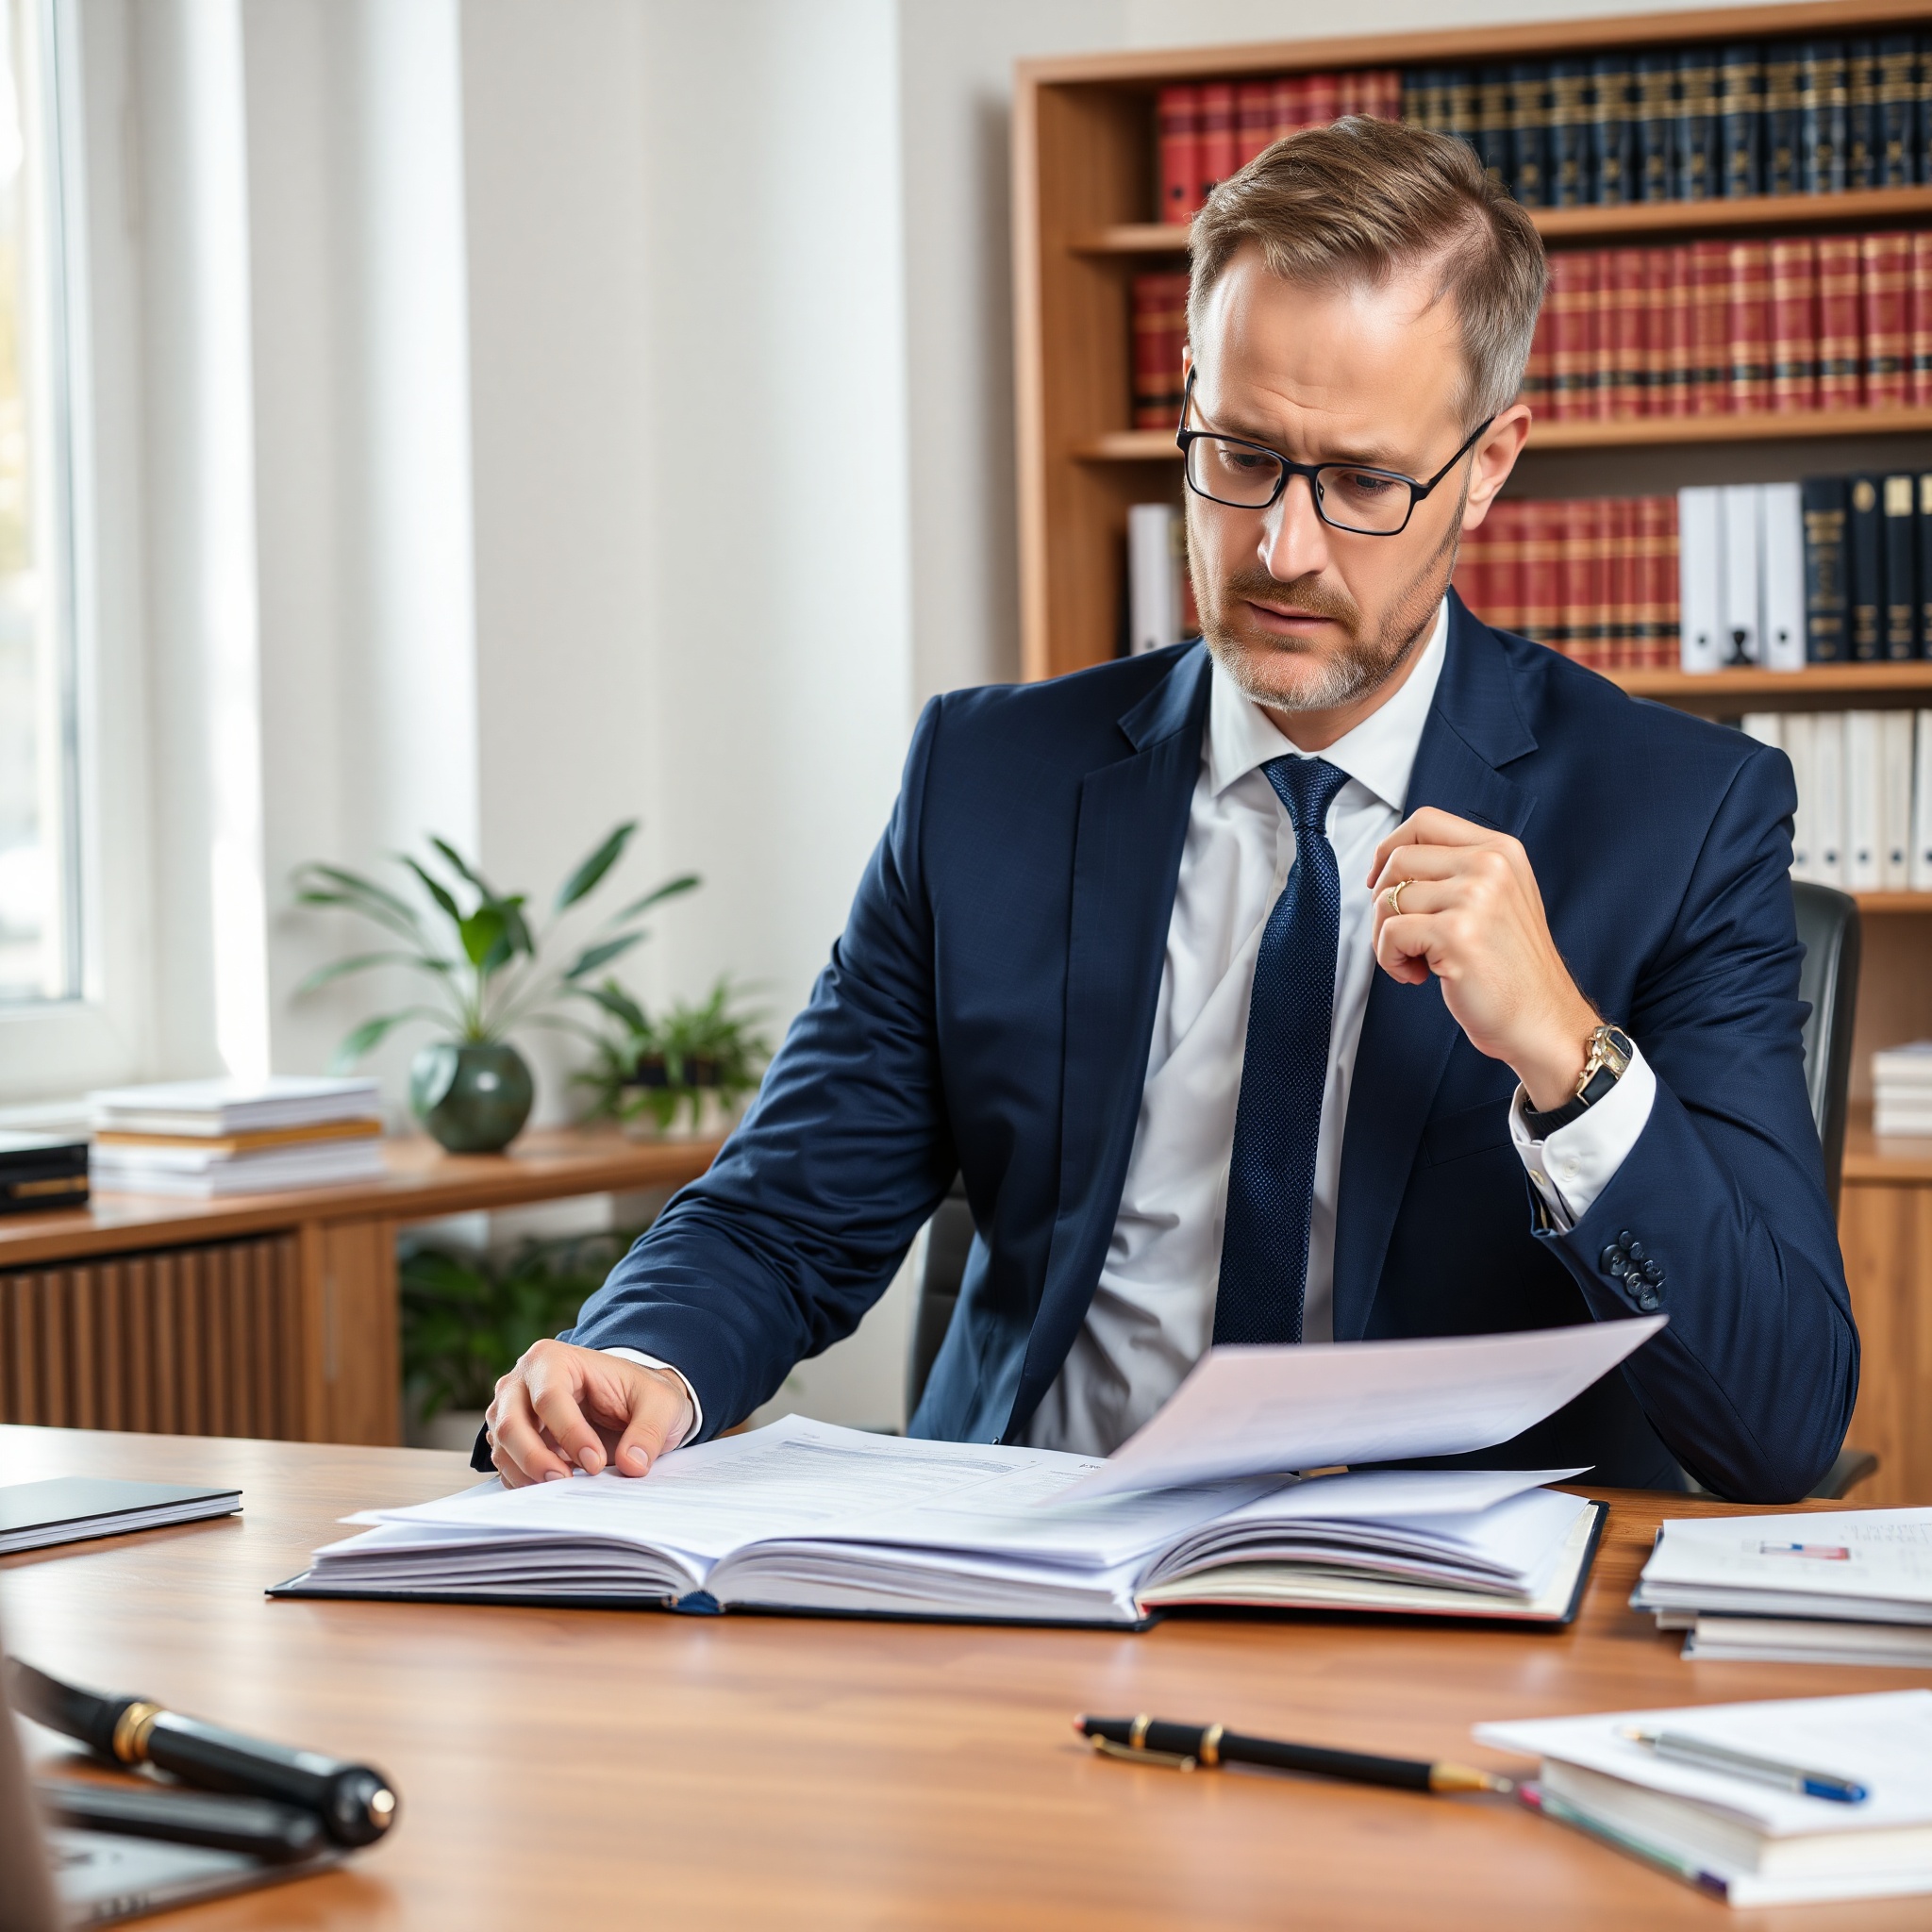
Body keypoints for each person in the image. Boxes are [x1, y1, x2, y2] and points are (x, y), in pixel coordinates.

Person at [484, 117, 1857, 1503]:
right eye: (1241, 452)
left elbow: (1784, 1417)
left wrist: (1571, 1059)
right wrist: (640, 1360)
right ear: (1190, 393)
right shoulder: (988, 781)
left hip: (1435, 1619)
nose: (1281, 548)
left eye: (1366, 482)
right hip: (1026, 1574)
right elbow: (787, 1212)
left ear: (1489, 465)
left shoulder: (1681, 818)